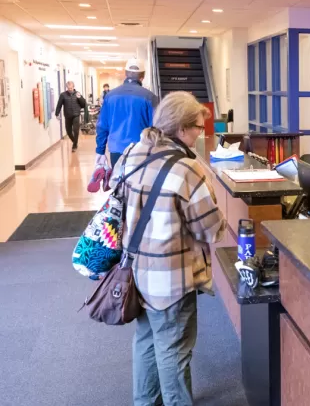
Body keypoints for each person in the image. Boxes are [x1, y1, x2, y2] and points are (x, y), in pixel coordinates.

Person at [108, 91, 225, 406]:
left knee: (146, 340)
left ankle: (144, 402)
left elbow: (116, 200)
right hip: (171, 279)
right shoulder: (189, 169)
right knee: (174, 349)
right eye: (199, 127)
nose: (201, 134)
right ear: (183, 128)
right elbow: (211, 228)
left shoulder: (132, 152)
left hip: (133, 270)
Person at [95, 58, 158, 168]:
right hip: (141, 150)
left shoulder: (110, 96)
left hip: (116, 149)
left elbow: (102, 125)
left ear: (125, 74)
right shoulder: (150, 97)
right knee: (138, 183)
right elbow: (156, 127)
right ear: (142, 77)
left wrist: (100, 150)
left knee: (117, 182)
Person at [54, 81, 86, 152]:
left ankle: (74, 145)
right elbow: (59, 105)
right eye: (68, 88)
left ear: (73, 87)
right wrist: (57, 113)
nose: (70, 89)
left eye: (71, 88)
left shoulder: (78, 94)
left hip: (76, 115)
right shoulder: (63, 95)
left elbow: (83, 104)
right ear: (67, 88)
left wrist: (80, 98)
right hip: (67, 115)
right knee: (68, 131)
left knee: (75, 130)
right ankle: (75, 142)